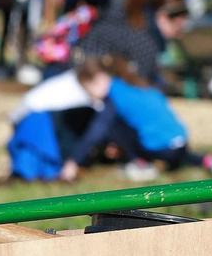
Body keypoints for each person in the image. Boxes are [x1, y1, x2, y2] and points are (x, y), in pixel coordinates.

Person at [66, 61, 194, 182]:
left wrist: (73, 162)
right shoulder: (131, 84)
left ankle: (139, 164)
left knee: (111, 123)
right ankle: (205, 160)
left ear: (96, 80)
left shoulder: (112, 98)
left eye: (88, 91)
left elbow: (96, 132)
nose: (90, 97)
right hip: (181, 144)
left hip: (162, 149)